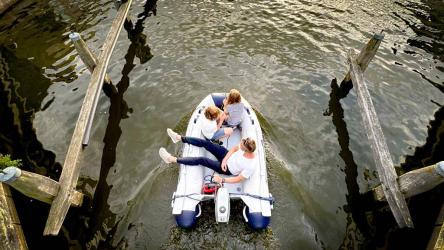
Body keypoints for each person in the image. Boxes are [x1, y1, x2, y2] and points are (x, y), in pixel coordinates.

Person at [159, 128, 257, 183]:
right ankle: (179, 138)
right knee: (206, 143)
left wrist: (222, 180)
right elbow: (234, 149)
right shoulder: (245, 146)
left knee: (202, 160)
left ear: (247, 150)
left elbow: (238, 179)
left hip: (227, 169)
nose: (241, 145)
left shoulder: (250, 165)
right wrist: (224, 160)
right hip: (226, 156)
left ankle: (172, 159)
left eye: (242, 146)